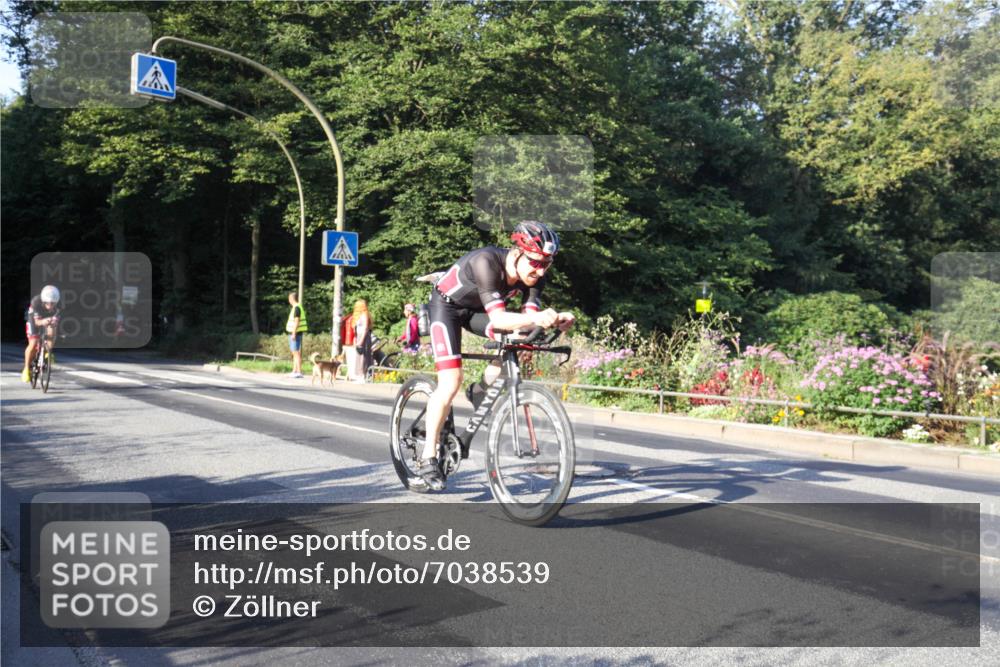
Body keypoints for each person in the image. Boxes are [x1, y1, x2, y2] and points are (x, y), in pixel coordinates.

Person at [418, 221, 575, 490]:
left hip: (476, 312)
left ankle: (479, 390)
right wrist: (538, 317)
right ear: (518, 252)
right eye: (535, 263)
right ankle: (428, 457)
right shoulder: (486, 262)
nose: (539, 271)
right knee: (450, 381)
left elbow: (528, 320)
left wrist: (557, 319)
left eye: (546, 264)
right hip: (447, 308)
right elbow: (500, 318)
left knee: (520, 338)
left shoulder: (536, 277)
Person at [22, 285, 62, 382]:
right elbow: (37, 322)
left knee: (52, 328)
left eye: (53, 303)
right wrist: (43, 321)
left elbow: (57, 318)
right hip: (34, 318)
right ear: (44, 301)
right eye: (48, 303)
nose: (51, 305)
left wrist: (54, 322)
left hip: (48, 317)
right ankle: (26, 368)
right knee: (34, 342)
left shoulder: (59, 304)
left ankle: (48, 351)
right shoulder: (36, 302)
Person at [286, 292, 308, 378]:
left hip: (295, 333)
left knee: (296, 352)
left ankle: (299, 371)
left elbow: (296, 321)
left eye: (289, 299)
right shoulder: (297, 307)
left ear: (291, 299)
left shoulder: (297, 308)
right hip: (294, 332)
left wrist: (294, 333)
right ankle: (294, 371)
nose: (289, 301)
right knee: (294, 352)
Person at [352, 299, 373, 382]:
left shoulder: (365, 315)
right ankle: (359, 375)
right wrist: (356, 338)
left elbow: (365, 328)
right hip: (359, 336)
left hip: (364, 337)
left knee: (363, 356)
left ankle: (363, 376)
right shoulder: (359, 315)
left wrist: (361, 340)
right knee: (359, 356)